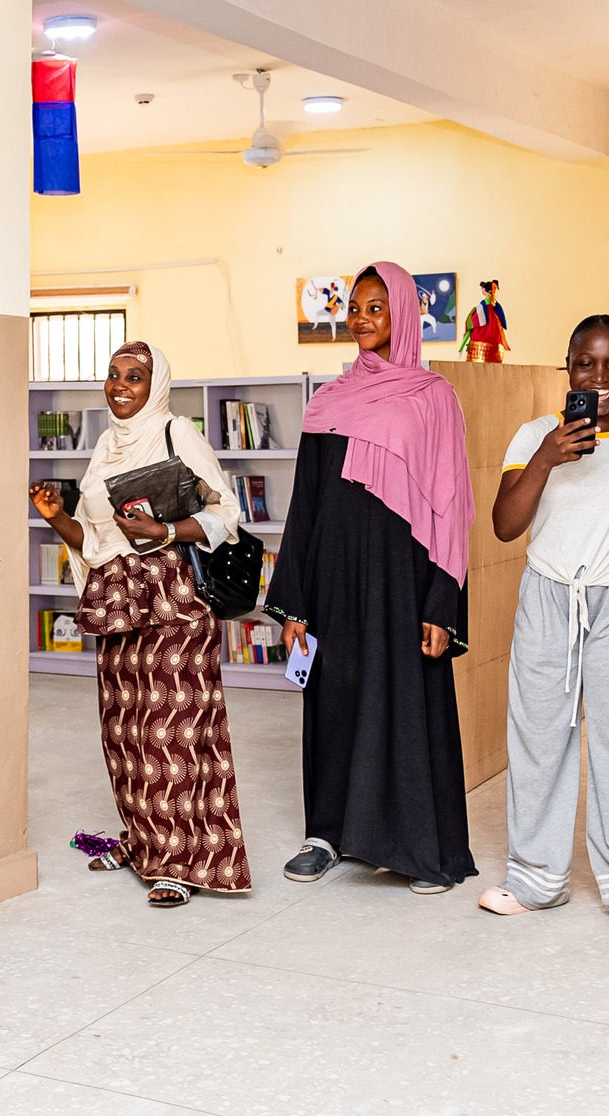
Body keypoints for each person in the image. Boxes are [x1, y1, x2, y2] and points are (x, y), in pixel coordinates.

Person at [264, 261, 477, 894]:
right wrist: (295, 601)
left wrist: (441, 604)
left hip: (402, 580)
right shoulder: (327, 400)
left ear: (404, 313)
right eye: (354, 308)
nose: (361, 319)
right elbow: (306, 504)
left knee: (405, 702)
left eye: (376, 308)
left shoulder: (433, 397)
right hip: (333, 578)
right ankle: (327, 834)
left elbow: (451, 506)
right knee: (333, 700)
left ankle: (417, 847)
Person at [30, 342, 252, 906]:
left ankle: (180, 861)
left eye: (135, 377)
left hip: (174, 602)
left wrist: (166, 531)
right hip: (117, 604)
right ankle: (143, 843)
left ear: (156, 386)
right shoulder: (106, 446)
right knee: (125, 734)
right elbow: (93, 540)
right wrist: (57, 518)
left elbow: (227, 514)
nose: (120, 386)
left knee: (171, 732)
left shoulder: (179, 434)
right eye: (113, 375)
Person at [481, 316, 609, 930]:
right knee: (539, 738)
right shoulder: (532, 436)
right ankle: (536, 879)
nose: (600, 377)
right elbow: (505, 526)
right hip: (548, 597)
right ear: (567, 366)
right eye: (586, 363)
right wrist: (547, 457)